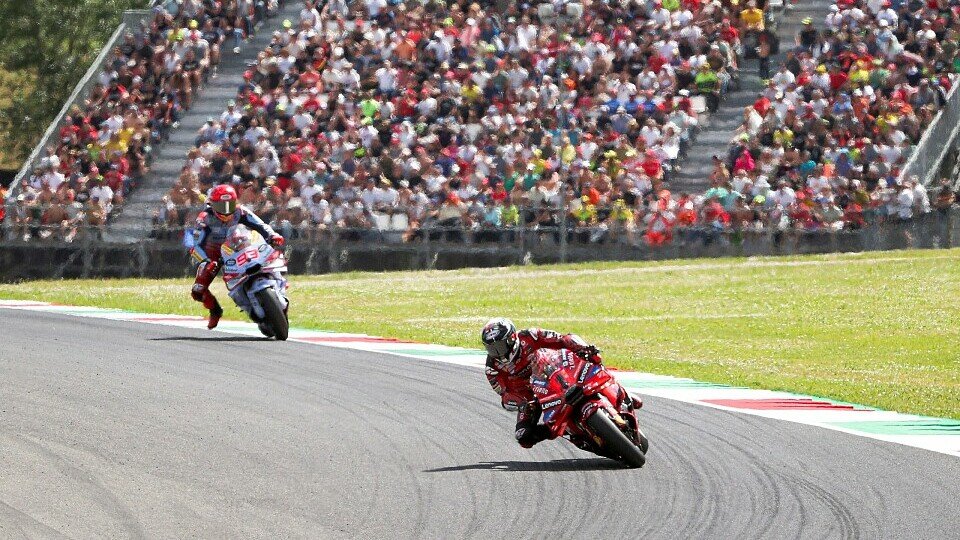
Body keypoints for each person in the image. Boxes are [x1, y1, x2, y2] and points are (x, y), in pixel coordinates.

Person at [481, 318, 616, 449]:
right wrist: (521, 402)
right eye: (492, 349)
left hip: (557, 370)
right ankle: (563, 431)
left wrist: (582, 348)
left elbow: (561, 339)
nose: (498, 353)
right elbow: (505, 394)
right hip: (533, 397)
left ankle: (614, 389)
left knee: (593, 359)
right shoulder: (492, 369)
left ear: (512, 337)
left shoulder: (531, 335)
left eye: (500, 346)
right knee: (523, 437)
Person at [190, 184, 285, 328]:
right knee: (198, 290)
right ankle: (215, 310)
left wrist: (273, 235)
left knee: (273, 257)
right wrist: (207, 260)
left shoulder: (240, 211)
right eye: (222, 206)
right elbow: (195, 245)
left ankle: (280, 285)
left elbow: (261, 225)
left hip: (243, 245)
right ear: (213, 205)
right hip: (215, 255)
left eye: (230, 205)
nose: (227, 211)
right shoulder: (204, 219)